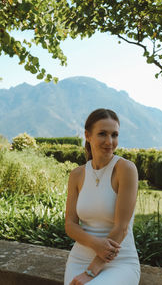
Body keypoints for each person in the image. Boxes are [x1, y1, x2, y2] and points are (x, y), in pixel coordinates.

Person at [64, 108, 140, 285]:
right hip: (79, 259)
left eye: (114, 135)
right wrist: (95, 244)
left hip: (119, 262)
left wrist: (90, 273)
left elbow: (121, 228)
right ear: (88, 135)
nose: (109, 141)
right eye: (102, 134)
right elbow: (70, 224)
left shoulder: (125, 169)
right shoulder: (76, 175)